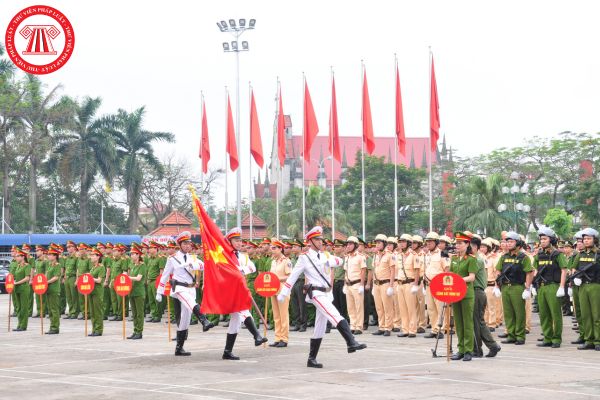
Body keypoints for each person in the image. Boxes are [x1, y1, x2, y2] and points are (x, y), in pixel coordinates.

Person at [277, 226, 366, 368]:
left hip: (326, 293)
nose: (320, 241)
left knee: (319, 326)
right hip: (316, 293)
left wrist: (329, 261)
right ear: (310, 241)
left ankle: (311, 359)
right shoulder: (304, 258)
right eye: (317, 239)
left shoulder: (325, 255)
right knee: (335, 314)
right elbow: (293, 276)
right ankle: (351, 342)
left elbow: (340, 261)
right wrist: (283, 293)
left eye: (320, 239)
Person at [156, 232, 214, 356]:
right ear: (180, 245)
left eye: (189, 243)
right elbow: (165, 275)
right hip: (179, 288)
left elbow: (203, 266)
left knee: (185, 319)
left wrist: (193, 264)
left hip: (191, 288)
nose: (187, 246)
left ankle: (179, 348)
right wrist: (159, 292)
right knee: (191, 302)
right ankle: (204, 321)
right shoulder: (172, 259)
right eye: (185, 243)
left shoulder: (193, 257)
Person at [221, 227, 267, 360]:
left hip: (240, 289)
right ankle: (256, 335)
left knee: (235, 322)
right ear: (229, 242)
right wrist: (235, 271)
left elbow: (252, 267)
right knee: (243, 311)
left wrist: (241, 270)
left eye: (240, 240)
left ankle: (227, 351)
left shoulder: (243, 256)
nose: (239, 243)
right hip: (230, 291)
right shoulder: (225, 256)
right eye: (236, 240)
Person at [495, 231, 534, 345]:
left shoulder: (523, 257)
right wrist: (497, 286)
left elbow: (529, 272)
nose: (508, 244)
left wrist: (527, 288)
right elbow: (498, 270)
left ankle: (520, 336)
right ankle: (511, 335)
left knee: (519, 312)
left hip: (517, 287)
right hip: (505, 287)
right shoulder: (504, 257)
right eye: (507, 241)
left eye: (511, 241)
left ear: (518, 243)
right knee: (508, 312)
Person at [533, 227, 568, 348]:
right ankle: (547, 337)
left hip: (554, 286)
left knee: (555, 314)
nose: (542, 241)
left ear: (551, 239)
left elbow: (564, 270)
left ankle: (556, 338)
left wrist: (562, 287)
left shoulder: (558, 254)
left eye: (544, 239)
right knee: (543, 313)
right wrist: (532, 285)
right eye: (541, 239)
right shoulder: (540, 254)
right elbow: (535, 270)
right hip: (542, 287)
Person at [448, 232, 478, 361]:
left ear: (467, 244)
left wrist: (458, 280)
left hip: (467, 294)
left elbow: (472, 277)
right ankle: (460, 349)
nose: (457, 245)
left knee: (467, 323)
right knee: (458, 323)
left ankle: (468, 350)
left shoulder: (471, 259)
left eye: (460, 243)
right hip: (455, 293)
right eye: (456, 243)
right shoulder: (454, 259)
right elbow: (450, 274)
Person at [570, 228, 600, 350]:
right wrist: (576, 277)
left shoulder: (598, 254)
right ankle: (589, 339)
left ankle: (598, 340)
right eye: (585, 239)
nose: (586, 241)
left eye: (589, 239)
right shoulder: (580, 254)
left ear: (595, 240)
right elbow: (574, 268)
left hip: (595, 286)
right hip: (582, 286)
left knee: (596, 314)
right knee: (585, 314)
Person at [471, 235, 501, 358]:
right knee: (478, 322)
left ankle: (478, 349)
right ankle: (492, 346)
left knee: (476, 322)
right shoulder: (474, 258)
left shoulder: (478, 259)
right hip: (475, 291)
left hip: (477, 291)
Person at [371, 234, 396, 336]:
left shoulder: (390, 255)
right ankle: (381, 326)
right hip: (377, 284)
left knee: (387, 307)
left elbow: (393, 271)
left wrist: (391, 286)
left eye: (379, 242)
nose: (377, 244)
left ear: (384, 243)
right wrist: (373, 285)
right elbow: (374, 271)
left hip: (385, 283)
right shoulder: (376, 255)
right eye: (376, 242)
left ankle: (388, 327)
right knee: (379, 307)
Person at [269, 238, 292, 347]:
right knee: (276, 315)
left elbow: (290, 276)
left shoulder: (286, 261)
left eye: (274, 248)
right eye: (271, 248)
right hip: (273, 290)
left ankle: (284, 338)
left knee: (283, 315)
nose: (272, 250)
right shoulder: (273, 261)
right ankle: (277, 338)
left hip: (283, 290)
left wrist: (278, 280)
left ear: (280, 248)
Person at [396, 234, 420, 338]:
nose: (401, 243)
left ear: (409, 243)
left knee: (411, 308)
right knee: (402, 308)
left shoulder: (414, 255)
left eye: (403, 241)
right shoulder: (399, 255)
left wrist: (415, 285)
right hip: (400, 283)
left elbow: (417, 271)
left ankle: (412, 330)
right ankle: (405, 329)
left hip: (409, 283)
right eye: (400, 242)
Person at [343, 236, 367, 334]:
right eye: (347, 244)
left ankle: (359, 326)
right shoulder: (347, 257)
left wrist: (362, 285)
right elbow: (346, 271)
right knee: (350, 307)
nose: (348, 246)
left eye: (350, 244)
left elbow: (363, 271)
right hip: (348, 284)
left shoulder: (361, 257)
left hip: (357, 284)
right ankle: (353, 325)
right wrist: (345, 284)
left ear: (356, 245)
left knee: (358, 306)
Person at [423, 232, 445, 339]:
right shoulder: (427, 255)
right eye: (427, 241)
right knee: (431, 308)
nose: (428, 243)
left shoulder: (442, 254)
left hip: (439, 284)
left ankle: (440, 330)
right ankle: (434, 329)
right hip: (428, 284)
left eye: (430, 241)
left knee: (439, 308)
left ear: (436, 242)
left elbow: (447, 270)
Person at [128, 246, 147, 339]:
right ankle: (135, 331)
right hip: (131, 292)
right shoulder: (132, 265)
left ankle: (139, 332)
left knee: (139, 313)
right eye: (131, 254)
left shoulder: (142, 265)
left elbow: (139, 278)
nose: (131, 255)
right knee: (134, 313)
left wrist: (128, 277)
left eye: (133, 254)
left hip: (139, 292)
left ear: (138, 255)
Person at [12, 247, 32, 331]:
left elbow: (27, 278)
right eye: (16, 256)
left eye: (17, 256)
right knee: (18, 308)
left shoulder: (27, 266)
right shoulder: (18, 266)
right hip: (17, 289)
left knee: (24, 307)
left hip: (24, 288)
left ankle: (23, 325)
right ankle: (19, 324)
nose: (16, 257)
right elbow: (15, 276)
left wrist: (16, 282)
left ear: (23, 257)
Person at [88, 247, 106, 336]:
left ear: (98, 257)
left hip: (98, 292)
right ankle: (94, 329)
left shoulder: (101, 267)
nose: (91, 257)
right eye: (91, 255)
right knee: (92, 312)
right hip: (91, 291)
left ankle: (99, 330)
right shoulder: (92, 268)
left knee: (98, 311)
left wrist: (90, 277)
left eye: (93, 255)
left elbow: (99, 280)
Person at [145, 241, 164, 323]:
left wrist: (160, 282)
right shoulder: (149, 259)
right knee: (151, 299)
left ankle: (158, 316)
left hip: (156, 281)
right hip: (150, 281)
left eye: (151, 248)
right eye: (149, 248)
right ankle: (153, 314)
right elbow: (148, 270)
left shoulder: (160, 258)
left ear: (155, 249)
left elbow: (161, 271)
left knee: (157, 299)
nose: (149, 250)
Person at [44, 247, 62, 334]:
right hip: (48, 289)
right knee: (50, 309)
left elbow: (56, 277)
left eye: (50, 254)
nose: (48, 256)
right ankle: (52, 326)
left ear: (55, 256)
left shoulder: (57, 265)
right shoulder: (49, 265)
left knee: (54, 309)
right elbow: (46, 275)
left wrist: (46, 282)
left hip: (54, 289)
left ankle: (55, 327)